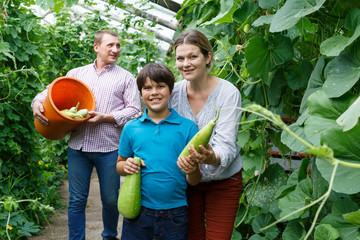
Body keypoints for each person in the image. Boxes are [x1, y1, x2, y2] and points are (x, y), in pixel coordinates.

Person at [31, 30, 141, 240]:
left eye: (118, 45)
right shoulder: (76, 73)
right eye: (110, 45)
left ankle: (109, 236)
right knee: (77, 200)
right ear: (96, 47)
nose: (115, 50)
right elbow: (47, 93)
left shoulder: (126, 78)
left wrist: (106, 117)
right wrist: (36, 103)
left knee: (110, 199)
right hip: (78, 147)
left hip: (109, 148)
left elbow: (133, 110)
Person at [116, 63, 202, 240]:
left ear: (171, 91)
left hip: (175, 214)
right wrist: (127, 165)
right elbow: (119, 164)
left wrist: (192, 169)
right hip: (138, 211)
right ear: (141, 93)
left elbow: (195, 180)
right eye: (147, 88)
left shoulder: (188, 128)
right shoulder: (131, 127)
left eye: (160, 86)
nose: (154, 92)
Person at [173, 29, 243, 240]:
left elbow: (227, 144)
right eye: (180, 58)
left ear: (207, 57)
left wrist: (212, 157)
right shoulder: (173, 93)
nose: (186, 63)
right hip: (185, 181)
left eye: (193, 56)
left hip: (223, 181)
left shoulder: (228, 93)